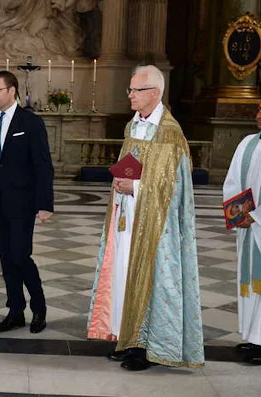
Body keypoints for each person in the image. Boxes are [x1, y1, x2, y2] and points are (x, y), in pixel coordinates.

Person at [86, 65, 204, 371]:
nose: (129, 96)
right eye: (130, 90)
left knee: (150, 280)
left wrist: (134, 186)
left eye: (135, 90)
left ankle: (146, 347)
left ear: (153, 93)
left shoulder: (168, 132)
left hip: (156, 226)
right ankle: (127, 339)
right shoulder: (134, 126)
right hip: (128, 218)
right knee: (125, 276)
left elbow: (171, 185)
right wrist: (121, 182)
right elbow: (132, 164)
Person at [0, 70, 54, 334]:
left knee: (20, 256)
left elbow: (43, 164)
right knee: (5, 258)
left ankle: (39, 308)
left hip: (23, 202)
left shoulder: (31, 123)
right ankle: (15, 311)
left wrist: (45, 203)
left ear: (11, 91)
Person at [222, 101, 261, 365]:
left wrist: (255, 216)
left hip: (256, 222)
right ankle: (254, 337)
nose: (257, 115)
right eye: (258, 110)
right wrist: (237, 213)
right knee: (250, 283)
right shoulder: (247, 143)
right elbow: (233, 180)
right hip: (248, 228)